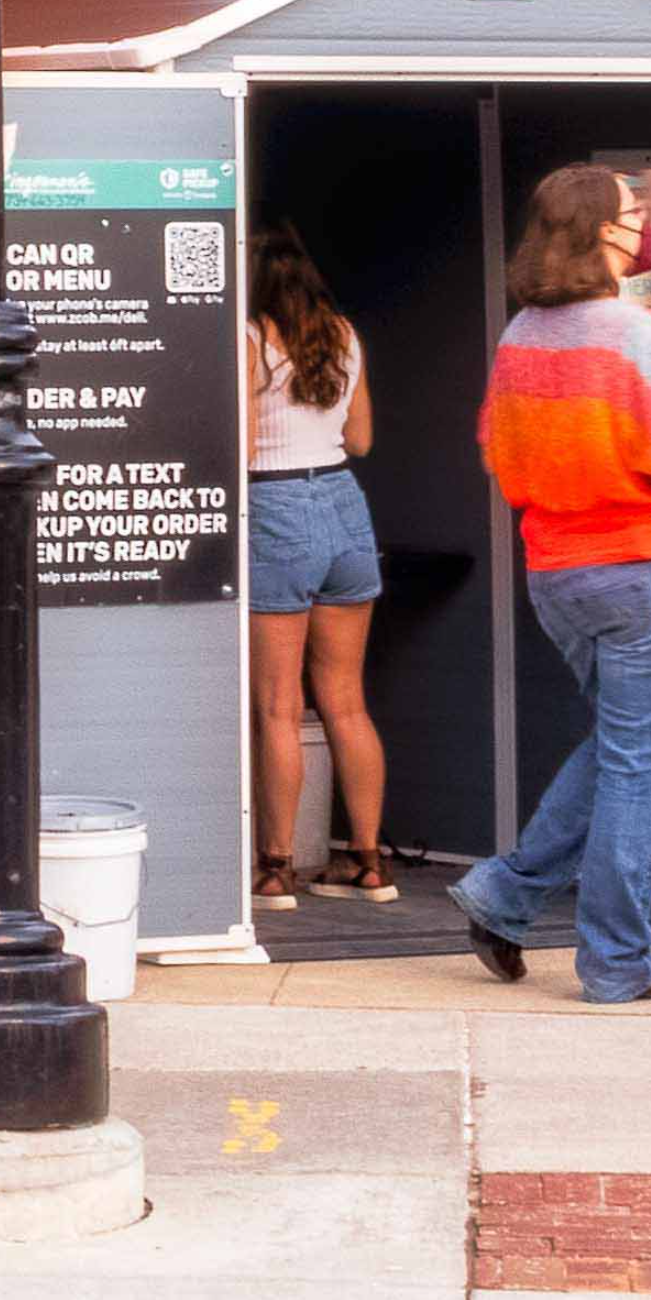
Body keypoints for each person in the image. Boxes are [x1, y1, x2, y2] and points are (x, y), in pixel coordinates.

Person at [459, 160, 651, 1006]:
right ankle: (615, 961)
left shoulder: (519, 335)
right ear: (605, 230)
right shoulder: (643, 331)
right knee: (638, 765)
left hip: (557, 573)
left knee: (617, 744)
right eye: (636, 209)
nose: (647, 223)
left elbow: (497, 453)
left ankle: (504, 895)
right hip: (643, 567)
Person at [245, 223, 394, 904]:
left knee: (280, 705)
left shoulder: (249, 338)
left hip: (274, 504)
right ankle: (367, 862)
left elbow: (245, 449)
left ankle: (276, 868)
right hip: (343, 503)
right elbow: (360, 439)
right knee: (347, 700)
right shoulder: (343, 335)